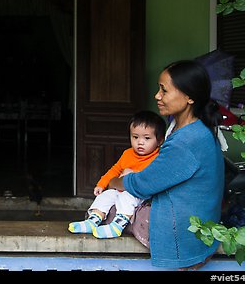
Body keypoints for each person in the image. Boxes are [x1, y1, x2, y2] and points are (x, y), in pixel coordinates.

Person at [108, 59, 224, 270]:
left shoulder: (187, 140)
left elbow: (144, 184)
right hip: (198, 223)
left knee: (110, 207)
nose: (157, 96)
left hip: (183, 231)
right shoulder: (194, 128)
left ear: (189, 97)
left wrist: (115, 181)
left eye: (164, 90)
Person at [68, 110, 166, 239]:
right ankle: (93, 220)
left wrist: (133, 174)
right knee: (106, 195)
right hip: (121, 188)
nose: (140, 142)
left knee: (127, 197)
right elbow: (115, 170)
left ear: (159, 141)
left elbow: (152, 178)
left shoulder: (158, 158)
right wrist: (102, 184)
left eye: (147, 138)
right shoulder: (128, 154)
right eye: (135, 137)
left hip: (140, 194)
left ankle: (117, 225)